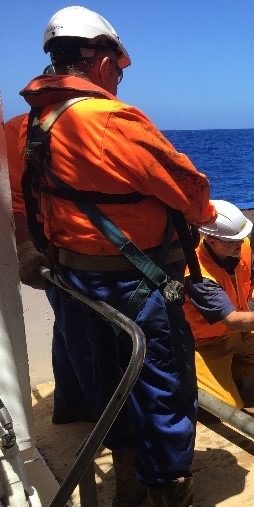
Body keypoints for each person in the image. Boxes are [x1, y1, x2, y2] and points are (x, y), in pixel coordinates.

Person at [17, 6, 216, 506]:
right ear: (103, 62)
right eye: (120, 70)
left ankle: (127, 484)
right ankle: (168, 489)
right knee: (162, 389)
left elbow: (21, 204)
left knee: (108, 391)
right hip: (139, 286)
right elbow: (193, 194)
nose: (120, 80)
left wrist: (27, 250)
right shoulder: (111, 122)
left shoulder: (23, 128)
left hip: (73, 287)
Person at [6, 65, 97, 426]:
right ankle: (100, 410)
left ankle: (71, 403)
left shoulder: (18, 128)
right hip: (58, 243)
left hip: (56, 239)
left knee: (67, 323)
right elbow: (15, 200)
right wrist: (29, 249)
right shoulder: (27, 132)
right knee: (84, 329)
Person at [183, 200, 254, 409]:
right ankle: (195, 374)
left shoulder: (242, 248)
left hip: (234, 336)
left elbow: (252, 288)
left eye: (242, 239)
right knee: (229, 407)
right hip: (204, 344)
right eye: (232, 242)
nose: (240, 244)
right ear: (211, 240)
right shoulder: (197, 273)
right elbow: (233, 320)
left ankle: (224, 375)